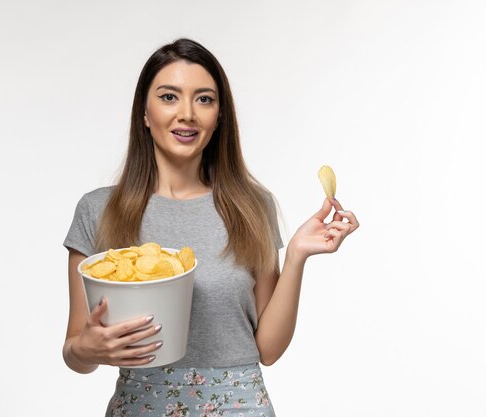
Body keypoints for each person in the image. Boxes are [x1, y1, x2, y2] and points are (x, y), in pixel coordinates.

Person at [62, 38, 359, 416]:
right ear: (145, 112)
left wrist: (298, 255)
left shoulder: (252, 207)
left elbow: (268, 349)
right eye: (169, 97)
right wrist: (86, 349)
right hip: (140, 405)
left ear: (219, 116)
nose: (186, 113)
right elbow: (75, 352)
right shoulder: (98, 209)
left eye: (204, 99)